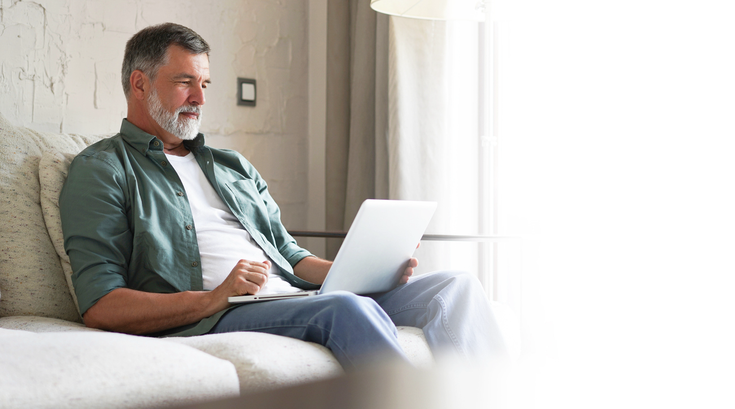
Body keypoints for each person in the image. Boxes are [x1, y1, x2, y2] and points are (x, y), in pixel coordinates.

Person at [60, 22, 507, 370]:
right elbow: (101, 306)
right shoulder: (104, 169)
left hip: (291, 295)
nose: (199, 97)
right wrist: (214, 298)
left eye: (205, 84)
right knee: (344, 309)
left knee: (456, 287)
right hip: (213, 316)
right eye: (184, 82)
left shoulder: (230, 165)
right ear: (139, 84)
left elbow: (290, 256)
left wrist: (364, 271)